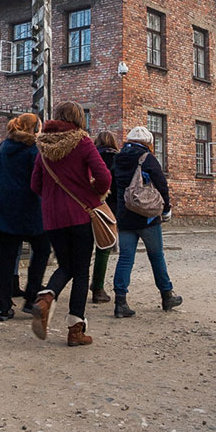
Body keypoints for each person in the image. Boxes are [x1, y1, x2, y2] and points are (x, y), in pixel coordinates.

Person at [29, 102, 112, 346]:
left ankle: (45, 299)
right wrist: (93, 193)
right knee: (81, 271)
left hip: (52, 219)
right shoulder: (83, 142)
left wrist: (52, 200)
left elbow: (35, 184)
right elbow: (105, 177)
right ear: (78, 119)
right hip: (79, 215)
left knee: (66, 265)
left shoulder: (43, 145)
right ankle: (75, 331)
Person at [110, 126, 181, 318]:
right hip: (147, 216)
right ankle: (167, 296)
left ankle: (120, 302)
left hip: (124, 217)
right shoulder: (147, 158)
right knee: (156, 256)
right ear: (147, 142)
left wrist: (117, 211)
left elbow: (112, 186)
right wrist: (166, 208)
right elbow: (161, 183)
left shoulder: (118, 158)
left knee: (125, 258)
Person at [0, 114, 50, 321]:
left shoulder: (4, 147)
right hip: (31, 208)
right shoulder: (35, 151)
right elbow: (41, 179)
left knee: (5, 258)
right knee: (42, 250)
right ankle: (31, 296)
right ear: (34, 130)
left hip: (4, 208)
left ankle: (3, 307)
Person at [89, 131, 120, 305]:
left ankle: (85, 284)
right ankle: (98, 286)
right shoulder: (117, 158)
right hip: (109, 207)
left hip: (88, 204)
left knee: (86, 247)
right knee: (104, 246)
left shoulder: (91, 156)